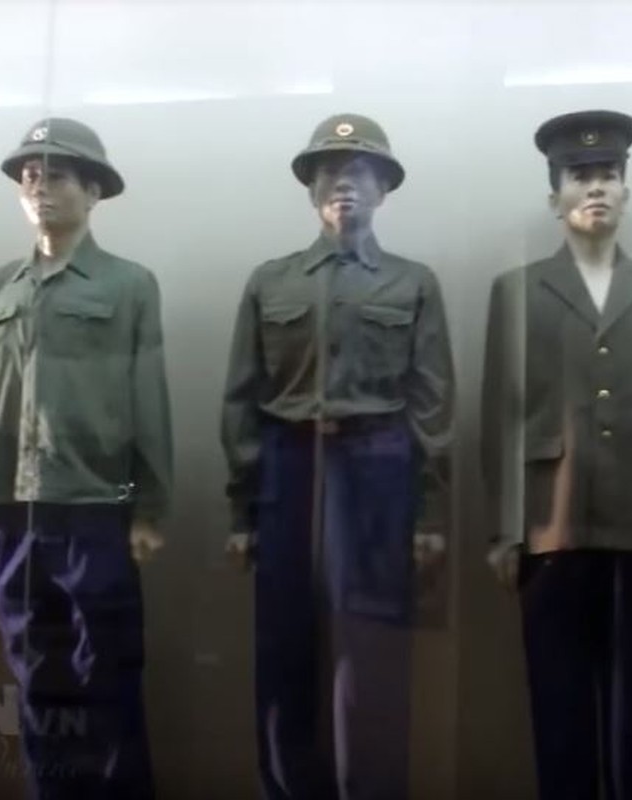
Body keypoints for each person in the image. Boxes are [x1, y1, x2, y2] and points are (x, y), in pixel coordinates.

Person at [220, 112, 454, 799]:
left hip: (376, 472)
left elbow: (432, 406)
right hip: (288, 473)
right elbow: (242, 399)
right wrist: (242, 512)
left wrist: (428, 515)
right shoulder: (271, 282)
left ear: (384, 188)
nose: (343, 183)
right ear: (310, 189)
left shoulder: (412, 284)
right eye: (329, 172)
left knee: (371, 654)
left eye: (360, 172)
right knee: (282, 652)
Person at [477, 109, 632, 800]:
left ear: (626, 190)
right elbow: (500, 411)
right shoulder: (516, 289)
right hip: (551, 515)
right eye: (579, 176)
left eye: (608, 174)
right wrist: (504, 530)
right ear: (555, 197)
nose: (596, 187)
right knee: (557, 692)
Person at [0, 118, 173, 799]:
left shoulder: (128, 285)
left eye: (55, 176)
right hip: (12, 515)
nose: (38, 188)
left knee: (107, 676)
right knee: (36, 682)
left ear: (93, 191)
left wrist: (149, 508)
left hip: (95, 506)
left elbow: (148, 398)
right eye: (29, 177)